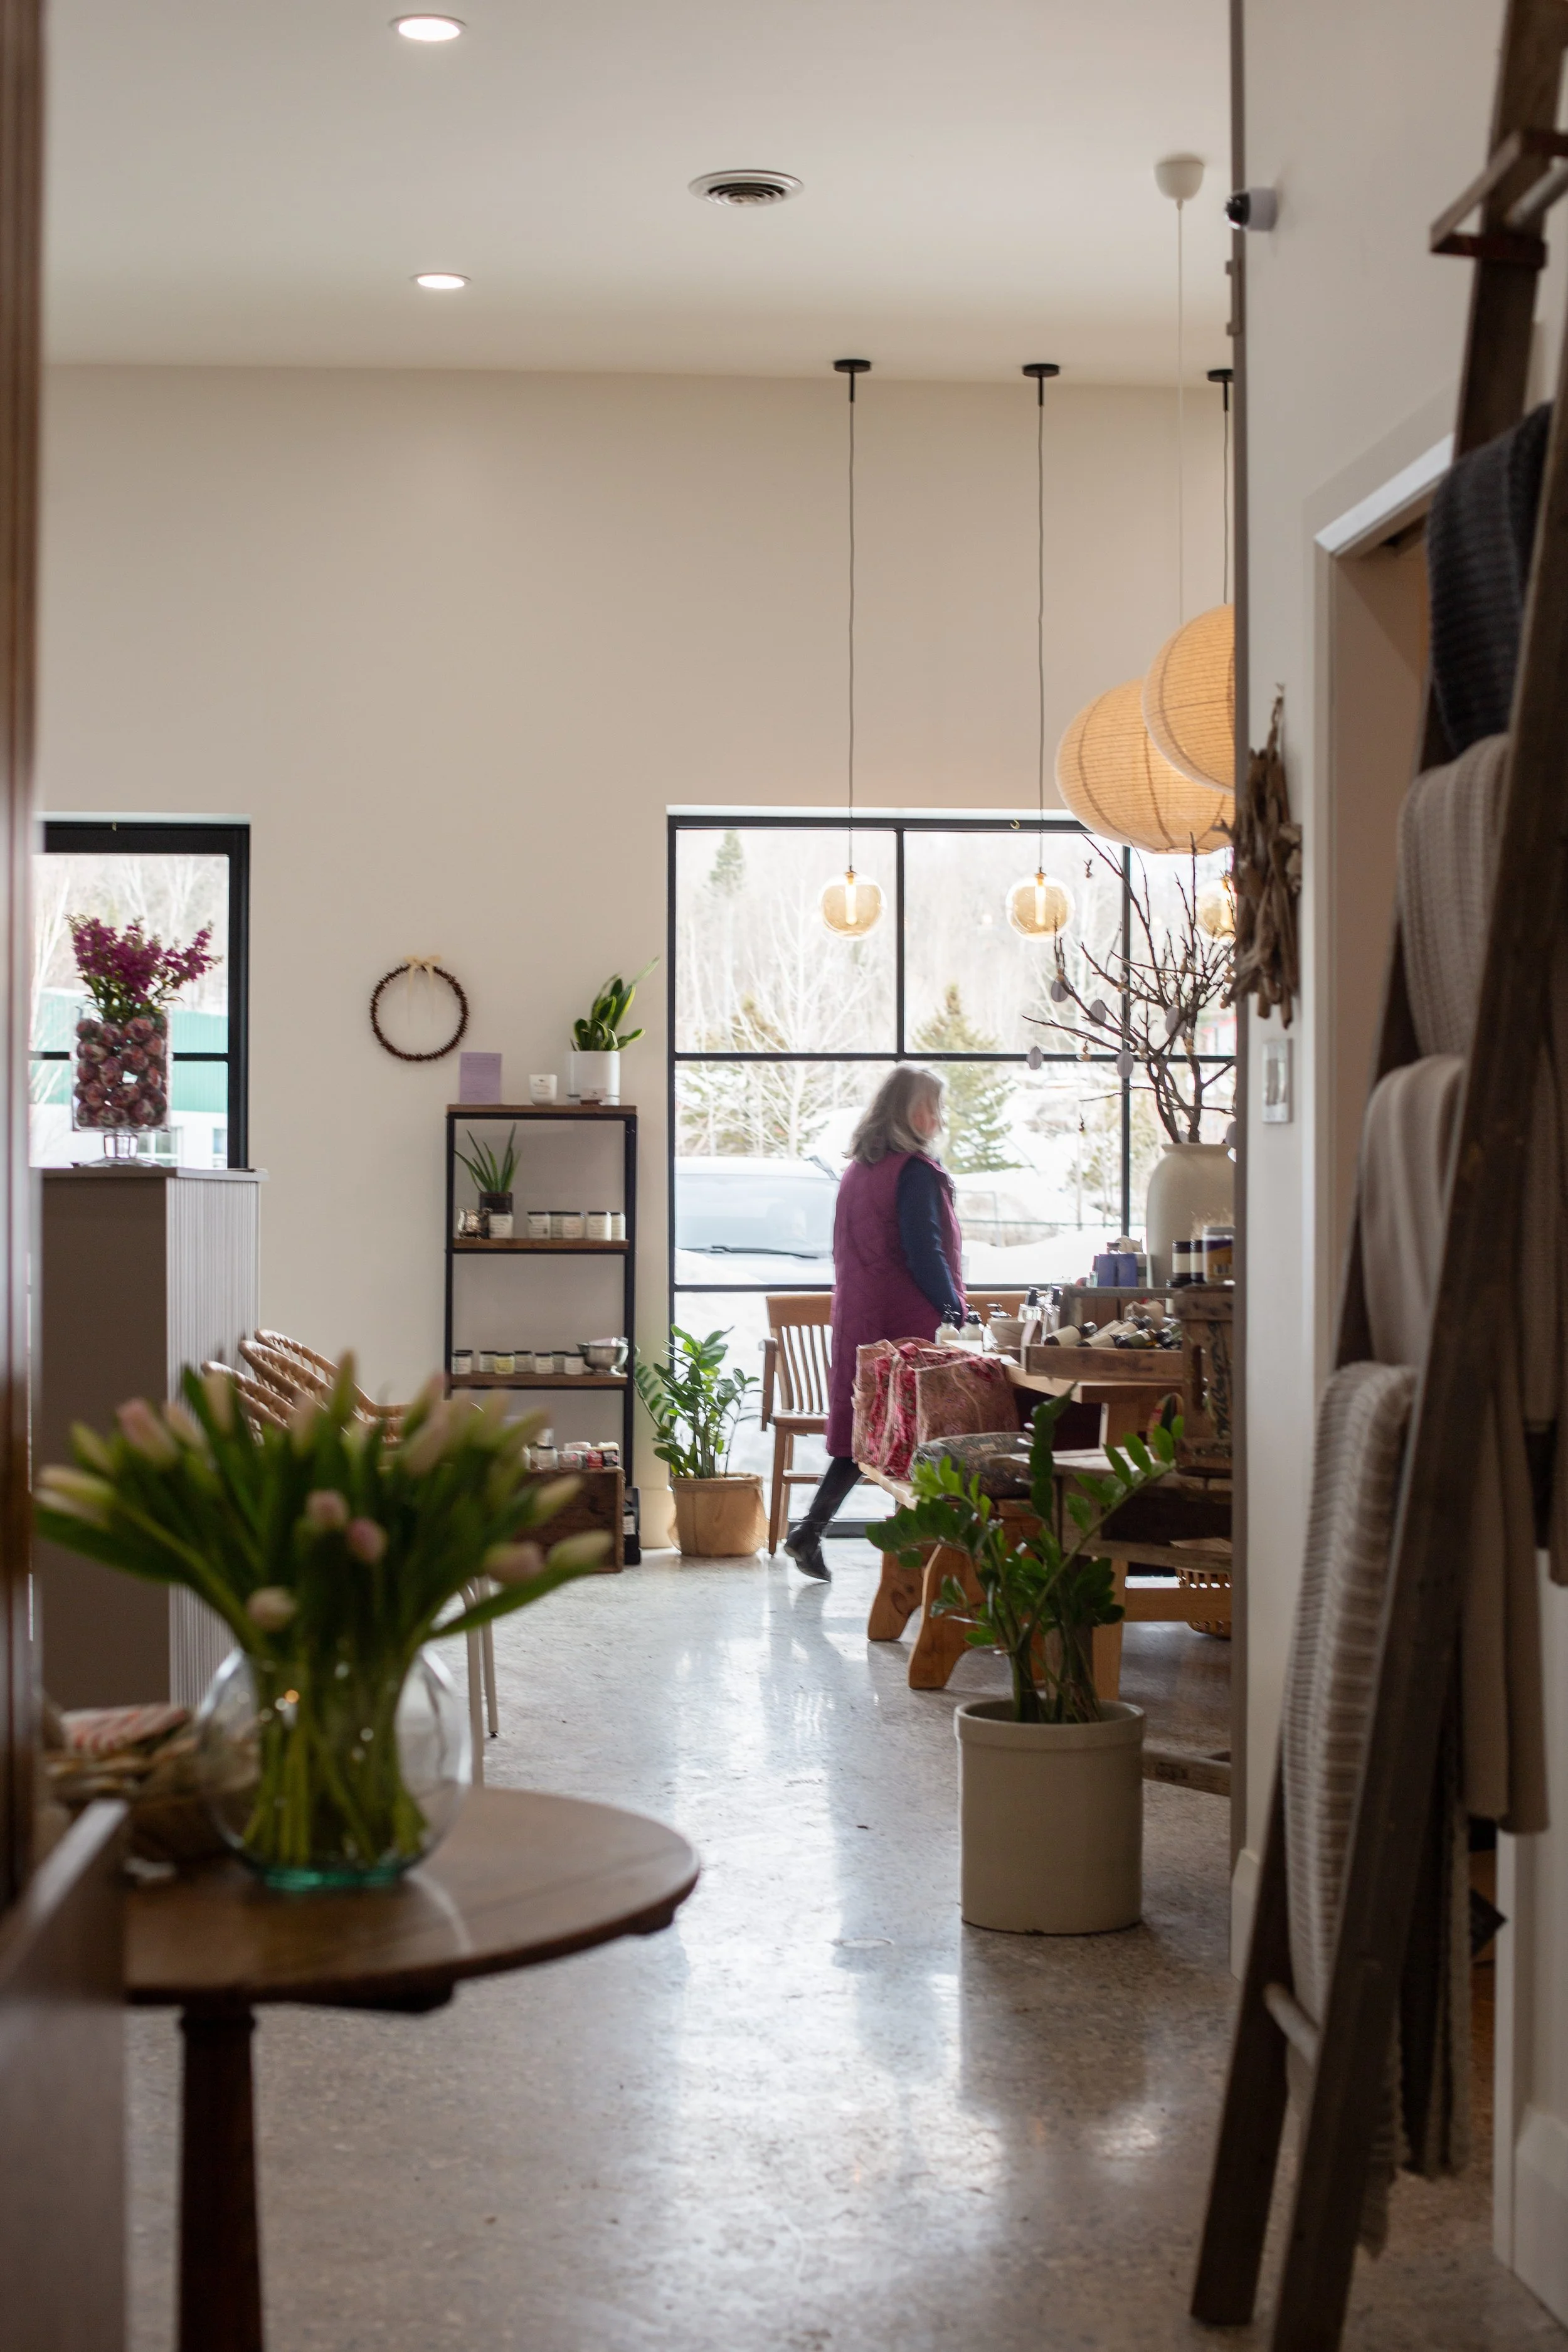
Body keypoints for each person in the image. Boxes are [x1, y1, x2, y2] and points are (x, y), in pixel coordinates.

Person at [784, 1064, 965, 1580]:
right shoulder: (913, 1172)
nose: (939, 1117)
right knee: (914, 1434)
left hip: (863, 1316)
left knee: (869, 1430)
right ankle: (918, 1558)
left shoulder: (859, 1170)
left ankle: (810, 1530)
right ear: (909, 1112)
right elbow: (925, 1250)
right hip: (907, 1322)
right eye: (932, 1105)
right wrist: (955, 1309)